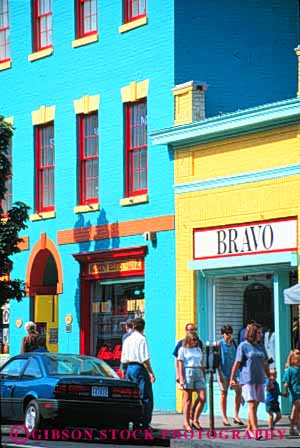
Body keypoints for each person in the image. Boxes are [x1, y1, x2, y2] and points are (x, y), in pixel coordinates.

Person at [230, 323, 270, 440]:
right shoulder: (243, 346)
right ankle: (256, 431)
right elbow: (237, 363)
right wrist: (232, 378)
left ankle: (249, 429)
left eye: (261, 332)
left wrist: (269, 378)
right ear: (252, 333)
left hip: (260, 379)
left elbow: (265, 363)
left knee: (255, 406)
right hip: (247, 379)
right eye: (258, 332)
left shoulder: (261, 347)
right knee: (251, 405)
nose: (261, 335)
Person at [120, 317, 155, 429]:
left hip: (129, 368)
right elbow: (145, 359)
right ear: (143, 328)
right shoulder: (142, 339)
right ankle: (144, 423)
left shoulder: (127, 339)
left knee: (131, 396)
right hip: (139, 368)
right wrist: (151, 372)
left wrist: (124, 371)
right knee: (146, 396)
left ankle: (133, 421)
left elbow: (123, 358)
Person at [173, 323, 203, 417]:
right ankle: (186, 414)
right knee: (186, 396)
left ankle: (193, 413)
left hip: (197, 372)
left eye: (194, 329)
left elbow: (201, 359)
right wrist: (178, 374)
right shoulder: (181, 344)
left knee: (201, 396)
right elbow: (177, 360)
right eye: (190, 329)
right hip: (186, 372)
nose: (192, 331)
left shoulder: (199, 343)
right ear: (186, 331)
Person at [178, 331, 206, 431]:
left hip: (198, 371)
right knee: (188, 400)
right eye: (193, 340)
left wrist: (203, 374)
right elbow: (180, 363)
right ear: (188, 340)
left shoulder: (198, 349)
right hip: (188, 371)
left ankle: (195, 419)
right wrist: (181, 378)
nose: (195, 342)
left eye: (196, 340)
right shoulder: (182, 350)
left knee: (203, 397)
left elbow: (201, 362)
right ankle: (186, 422)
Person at [217, 324, 244, 426]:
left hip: (234, 372)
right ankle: (224, 417)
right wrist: (219, 374)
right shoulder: (219, 344)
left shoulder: (234, 343)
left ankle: (236, 416)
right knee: (224, 393)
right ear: (223, 334)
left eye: (230, 333)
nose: (229, 335)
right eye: (226, 334)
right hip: (223, 372)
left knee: (239, 391)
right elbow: (217, 360)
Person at [283, 349, 300, 436]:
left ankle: (295, 427)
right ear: (293, 360)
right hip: (294, 393)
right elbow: (286, 382)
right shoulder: (289, 369)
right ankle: (292, 427)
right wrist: (286, 390)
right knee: (295, 408)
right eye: (298, 359)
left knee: (298, 411)